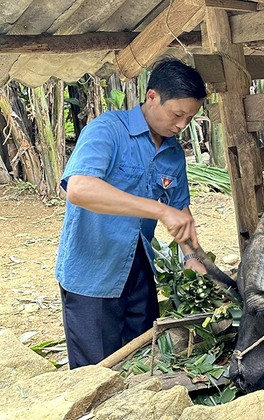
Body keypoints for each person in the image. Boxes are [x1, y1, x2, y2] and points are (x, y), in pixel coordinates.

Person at [56, 58, 208, 368]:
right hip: (93, 274)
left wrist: (193, 257)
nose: (181, 125)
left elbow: (180, 210)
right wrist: (159, 209)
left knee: (141, 363)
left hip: (138, 270)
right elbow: (79, 189)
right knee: (96, 374)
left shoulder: (173, 150)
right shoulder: (108, 130)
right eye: (177, 114)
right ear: (152, 96)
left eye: (189, 118)